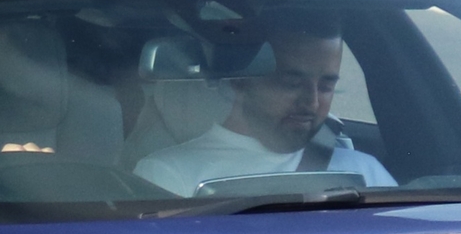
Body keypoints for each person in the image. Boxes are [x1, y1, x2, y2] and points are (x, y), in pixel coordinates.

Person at [133, 13, 394, 196]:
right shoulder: (169, 174)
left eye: (326, 86)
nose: (312, 102)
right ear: (241, 81)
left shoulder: (364, 172)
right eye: (291, 83)